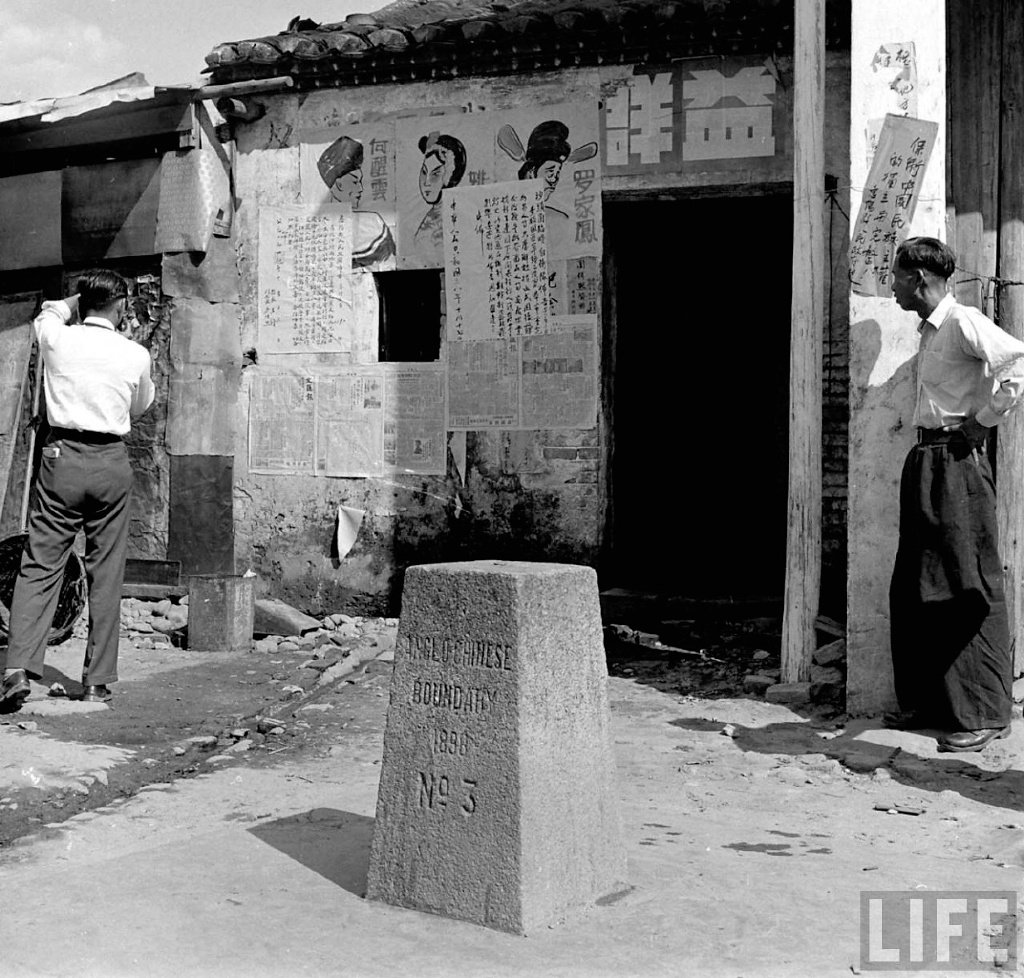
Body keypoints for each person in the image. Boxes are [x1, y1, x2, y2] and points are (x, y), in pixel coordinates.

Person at [887, 237, 1024, 751]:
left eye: (898, 276)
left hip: (958, 463)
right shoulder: (929, 333)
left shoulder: (963, 322)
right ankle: (935, 704)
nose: (893, 286)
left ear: (920, 278)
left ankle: (986, 713)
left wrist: (982, 422)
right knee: (920, 584)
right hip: (926, 461)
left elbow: (1017, 364)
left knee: (969, 584)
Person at [0, 269, 154, 710]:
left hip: (60, 459)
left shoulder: (57, 339)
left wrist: (76, 299)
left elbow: (49, 312)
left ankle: (17, 668)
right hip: (110, 463)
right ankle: (97, 682)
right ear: (121, 306)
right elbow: (141, 405)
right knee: (106, 571)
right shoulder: (135, 354)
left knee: (42, 561)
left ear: (83, 301)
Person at [316, 134, 396, 268]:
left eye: (360, 181)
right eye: (354, 181)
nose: (360, 188)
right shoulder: (319, 231)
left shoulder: (373, 224)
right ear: (338, 184)